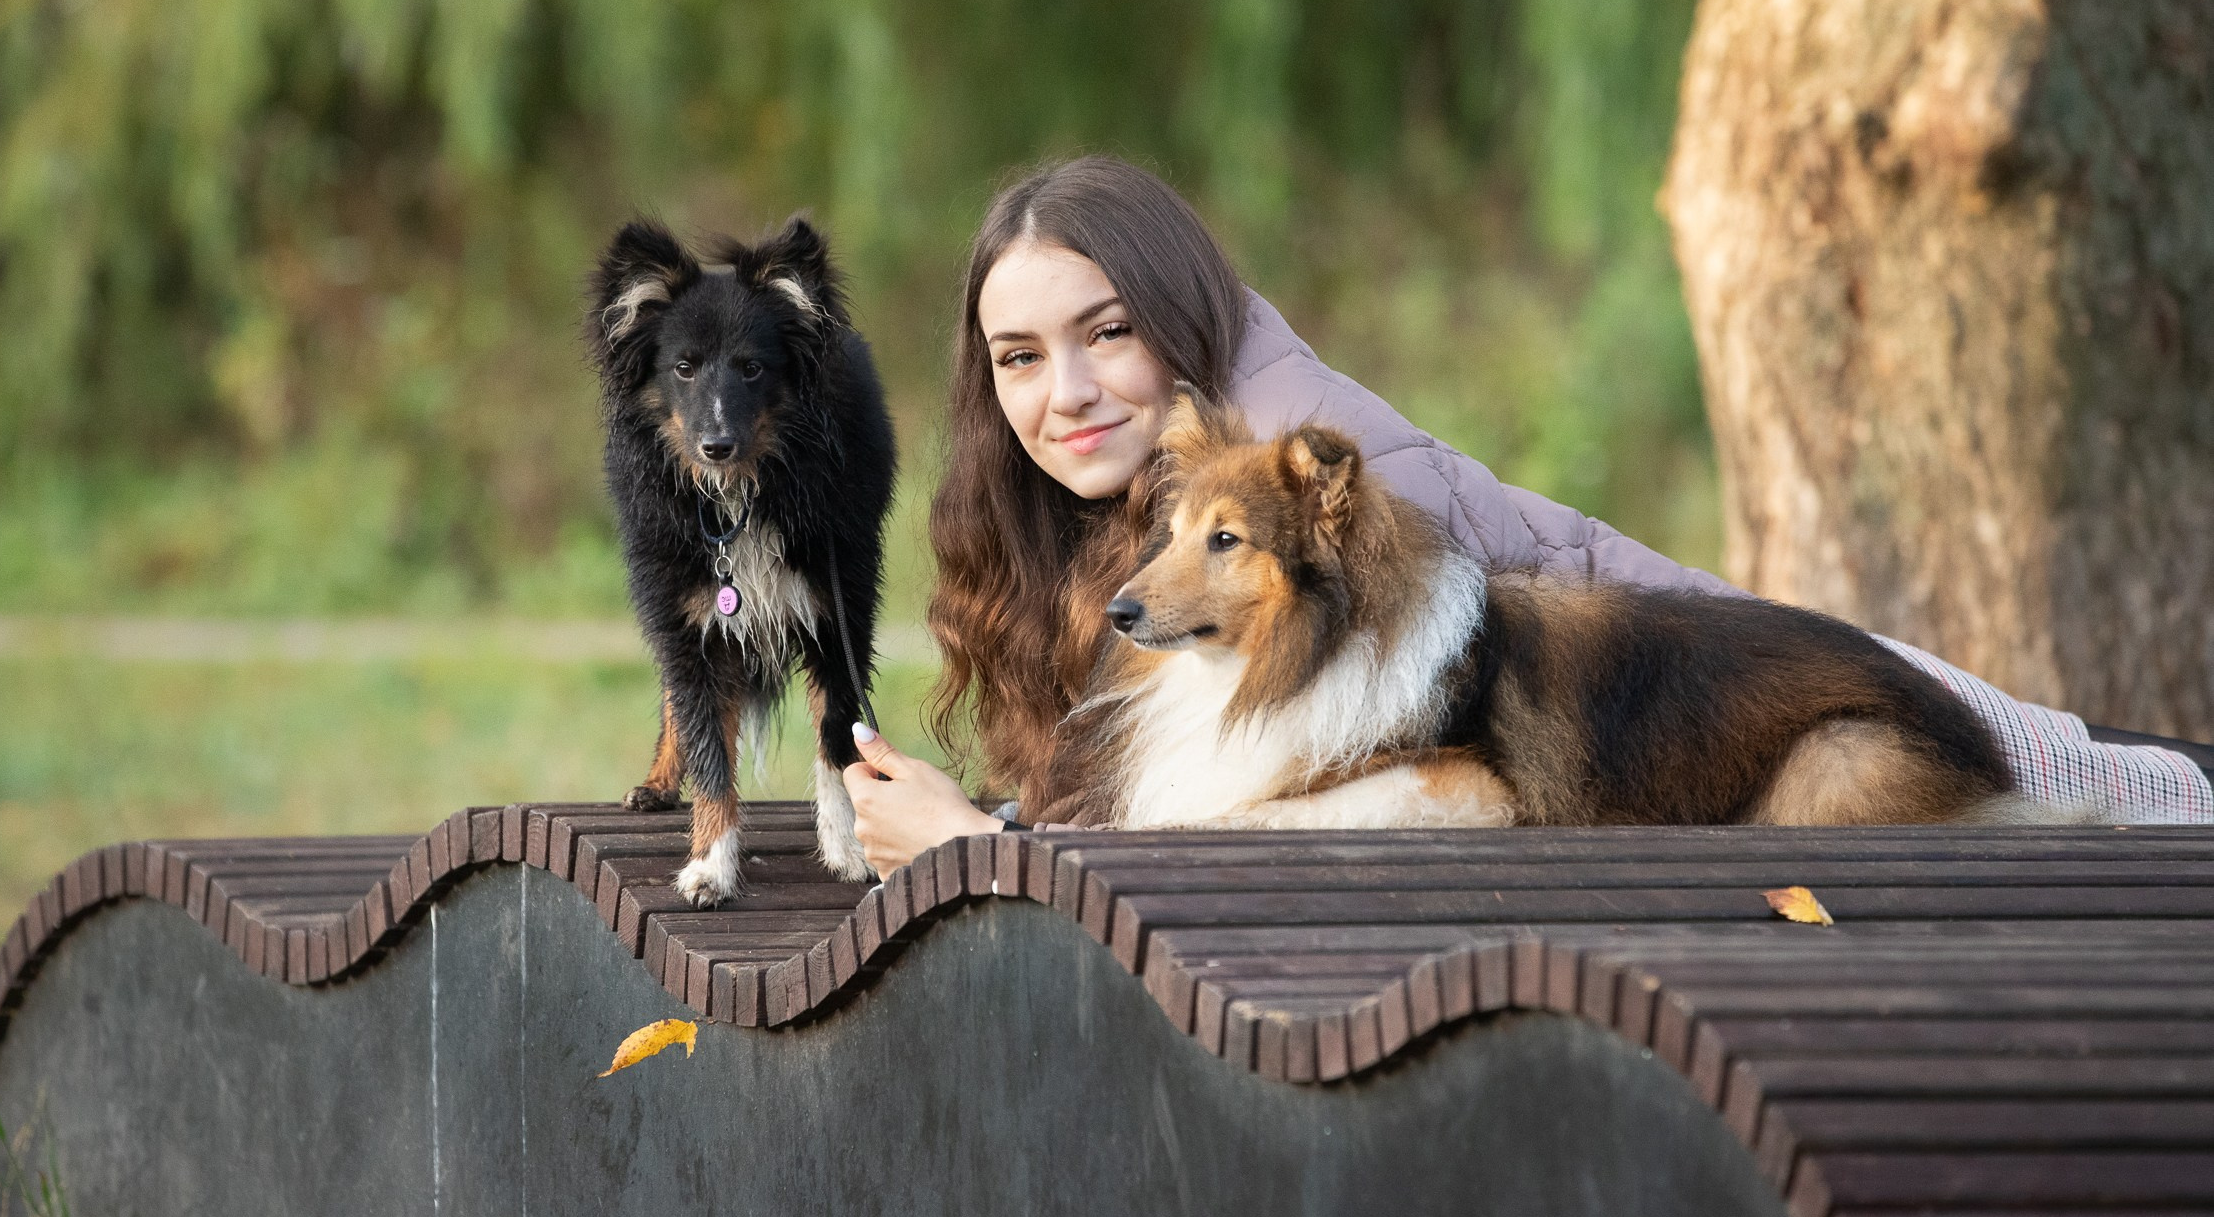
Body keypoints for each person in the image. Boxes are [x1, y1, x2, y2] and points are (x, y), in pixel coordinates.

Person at [842, 157, 2214, 875]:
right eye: (1019, 357)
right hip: (1725, 707)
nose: (1063, 393)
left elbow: (1371, 778)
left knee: (2130, 801)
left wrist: (994, 855)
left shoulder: (1327, 474)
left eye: (1106, 334)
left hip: (1785, 701)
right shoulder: (1149, 475)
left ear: (1180, 315)